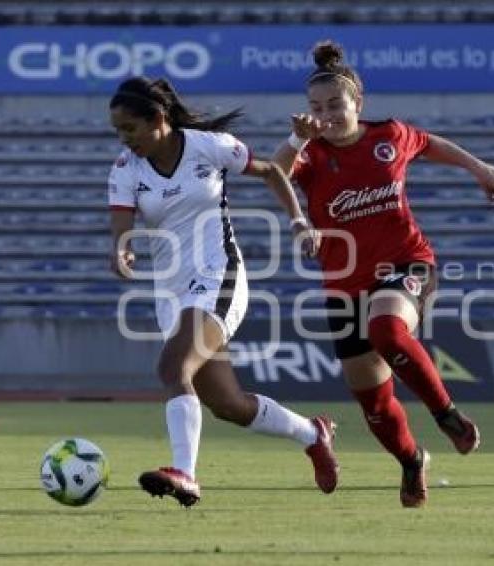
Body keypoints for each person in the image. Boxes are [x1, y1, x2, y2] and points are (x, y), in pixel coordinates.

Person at [271, 41, 494, 507]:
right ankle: (412, 461)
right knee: (374, 405)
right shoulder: (312, 154)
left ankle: (447, 415)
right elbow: (275, 172)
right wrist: (298, 146)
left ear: (358, 102)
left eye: (336, 104)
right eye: (316, 108)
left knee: (387, 329)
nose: (326, 115)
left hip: (407, 263)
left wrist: (479, 169)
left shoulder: (391, 136)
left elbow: (431, 143)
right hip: (343, 285)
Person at [107, 76, 339, 507]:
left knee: (172, 368)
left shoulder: (208, 146)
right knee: (227, 404)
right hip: (171, 291)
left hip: (219, 275)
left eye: (130, 129)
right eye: (118, 131)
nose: (125, 139)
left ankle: (185, 474)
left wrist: (298, 221)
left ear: (157, 119)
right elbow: (122, 228)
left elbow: (271, 170)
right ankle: (313, 434)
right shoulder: (125, 170)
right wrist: (122, 252)